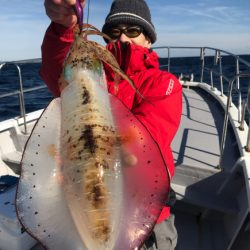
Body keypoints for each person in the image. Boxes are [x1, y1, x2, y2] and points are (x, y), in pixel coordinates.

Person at [41, 0, 182, 249]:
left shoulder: (163, 83)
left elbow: (150, 134)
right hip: (84, 197)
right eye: (114, 32)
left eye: (133, 31)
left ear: (149, 39)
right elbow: (59, 73)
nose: (123, 38)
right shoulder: (95, 76)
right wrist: (64, 27)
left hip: (146, 212)